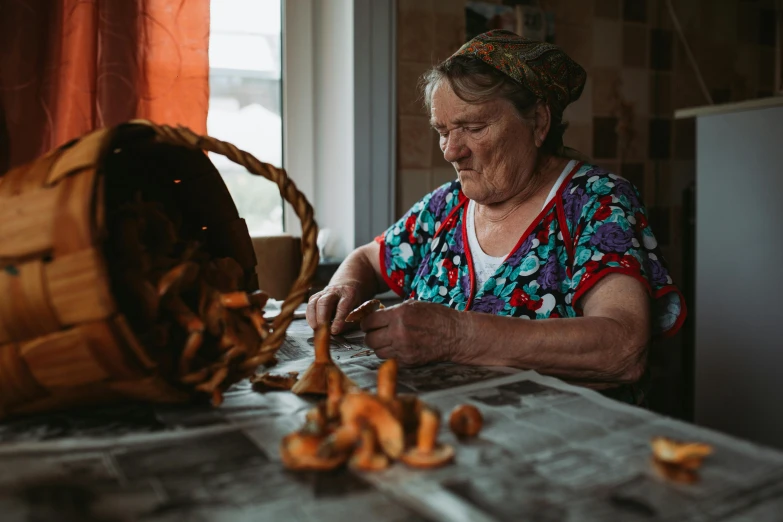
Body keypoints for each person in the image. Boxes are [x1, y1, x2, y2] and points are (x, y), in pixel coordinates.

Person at [306, 30, 685, 403]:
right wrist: (342, 288)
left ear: (538, 122)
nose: (451, 151)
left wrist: (458, 334)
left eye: (473, 128)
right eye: (443, 131)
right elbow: (368, 259)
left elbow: (622, 346)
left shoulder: (597, 202)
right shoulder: (445, 206)